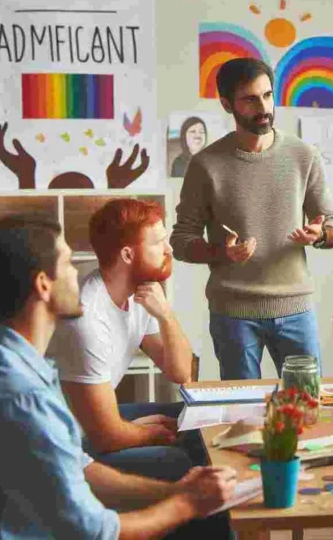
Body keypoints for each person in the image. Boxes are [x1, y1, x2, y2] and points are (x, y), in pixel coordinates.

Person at [0, 216, 236, 539]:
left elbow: (80, 467)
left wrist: (172, 492)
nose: (78, 273)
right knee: (207, 519)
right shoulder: (20, 395)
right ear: (43, 284)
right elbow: (94, 531)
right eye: (68, 263)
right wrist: (188, 504)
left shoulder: (0, 358)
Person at [171, 57, 333, 380]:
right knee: (242, 414)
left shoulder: (304, 155)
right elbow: (181, 241)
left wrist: (320, 235)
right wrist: (222, 252)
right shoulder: (205, 165)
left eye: (267, 95)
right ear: (226, 104)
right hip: (233, 313)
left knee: (307, 405)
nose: (263, 107)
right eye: (250, 99)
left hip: (296, 308)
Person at [50, 198, 203, 482]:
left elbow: (182, 373)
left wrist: (166, 315)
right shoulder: (88, 320)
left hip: (95, 422)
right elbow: (106, 437)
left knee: (195, 420)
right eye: (159, 242)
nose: (169, 249)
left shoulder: (138, 295)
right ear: (128, 256)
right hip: (67, 442)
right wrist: (147, 432)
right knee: (178, 459)